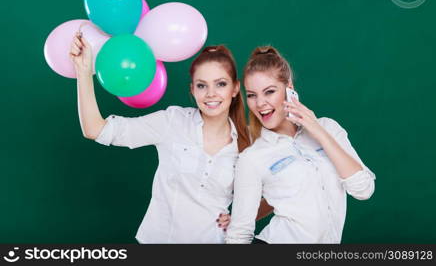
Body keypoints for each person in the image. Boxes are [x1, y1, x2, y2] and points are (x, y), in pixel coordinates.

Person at [69, 32, 252, 243]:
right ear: (192, 90)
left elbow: (277, 193)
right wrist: (83, 71)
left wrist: (239, 219)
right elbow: (95, 129)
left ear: (235, 88)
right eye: (202, 85)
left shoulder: (246, 143)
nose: (211, 93)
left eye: (220, 84)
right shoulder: (171, 121)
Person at [225, 46, 376, 244]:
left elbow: (363, 190)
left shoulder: (328, 128)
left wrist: (318, 131)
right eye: (252, 95)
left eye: (269, 92)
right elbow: (238, 235)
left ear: (289, 88)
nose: (260, 103)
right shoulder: (253, 157)